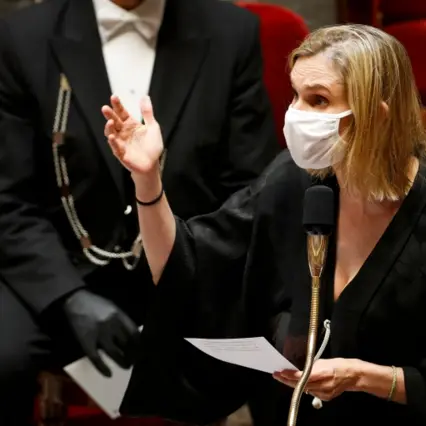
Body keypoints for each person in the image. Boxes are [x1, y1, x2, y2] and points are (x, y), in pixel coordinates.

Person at [103, 24, 426, 426]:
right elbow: (183, 267)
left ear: (376, 116)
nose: (296, 114)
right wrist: (147, 179)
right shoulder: (296, 179)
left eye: (318, 101)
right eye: (296, 96)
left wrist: (362, 378)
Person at [0, 0, 279, 424]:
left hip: (189, 267)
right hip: (61, 269)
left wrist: (193, 284)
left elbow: (249, 186)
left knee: (285, 348)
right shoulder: (21, 36)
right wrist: (67, 296)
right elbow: (9, 197)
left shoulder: (231, 31)